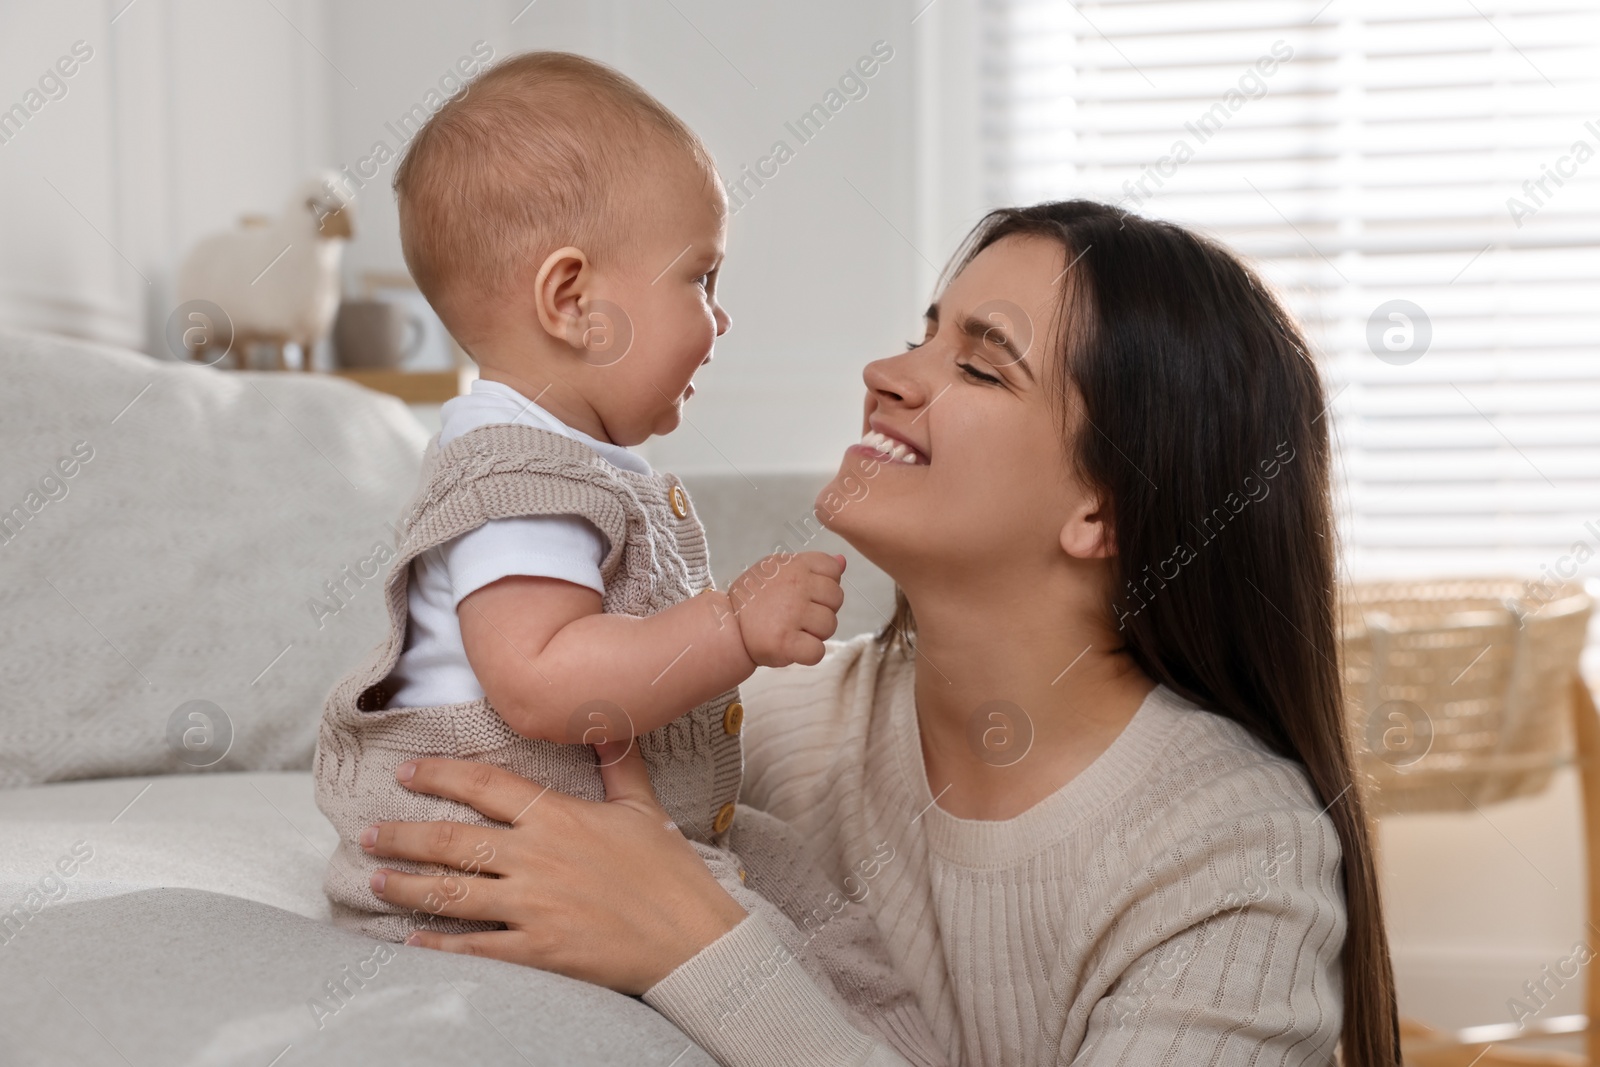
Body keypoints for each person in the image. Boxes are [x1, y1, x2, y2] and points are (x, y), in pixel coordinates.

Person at [359, 200, 1402, 1066]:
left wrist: (701, 941)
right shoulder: (755, 732)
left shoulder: (1228, 848)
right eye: (923, 333)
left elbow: (696, 938)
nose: (887, 372)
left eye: (981, 367)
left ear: (1105, 511)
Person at [313, 50, 944, 1067]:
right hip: (505, 873)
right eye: (701, 276)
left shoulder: (568, 463)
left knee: (809, 899)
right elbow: (542, 682)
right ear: (571, 299)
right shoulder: (512, 474)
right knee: (774, 935)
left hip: (619, 827)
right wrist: (730, 626)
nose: (719, 318)